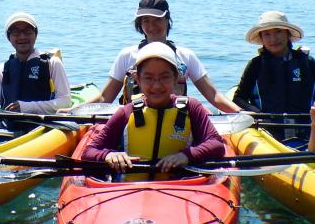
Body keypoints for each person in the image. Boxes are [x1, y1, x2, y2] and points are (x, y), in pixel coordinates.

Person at [81, 42, 226, 177]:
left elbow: (216, 145)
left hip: (181, 191)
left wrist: (186, 155)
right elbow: (89, 152)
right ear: (137, 79)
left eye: (164, 77)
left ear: (176, 78)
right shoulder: (126, 112)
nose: (156, 86)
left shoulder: (191, 108)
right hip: (131, 193)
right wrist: (108, 155)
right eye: (148, 78)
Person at [80, 0, 239, 113]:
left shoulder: (185, 56)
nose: (151, 26)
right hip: (135, 125)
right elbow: (104, 98)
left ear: (167, 20)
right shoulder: (127, 56)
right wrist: (75, 111)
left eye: (157, 20)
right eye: (145, 20)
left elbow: (213, 95)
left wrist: (240, 113)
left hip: (175, 127)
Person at [232, 10, 315, 146]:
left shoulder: (307, 62)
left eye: (278, 32)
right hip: (268, 131)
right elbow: (239, 98)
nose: (273, 39)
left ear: (287, 34)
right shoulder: (255, 65)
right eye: (267, 34)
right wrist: (260, 115)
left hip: (307, 130)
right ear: (261, 38)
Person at [0, 12, 72, 118]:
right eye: (16, 32)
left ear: (35, 34)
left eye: (28, 31)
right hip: (8, 127)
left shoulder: (52, 64)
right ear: (9, 37)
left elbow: (65, 102)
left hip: (41, 126)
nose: (22, 37)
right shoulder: (2, 69)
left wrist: (26, 107)